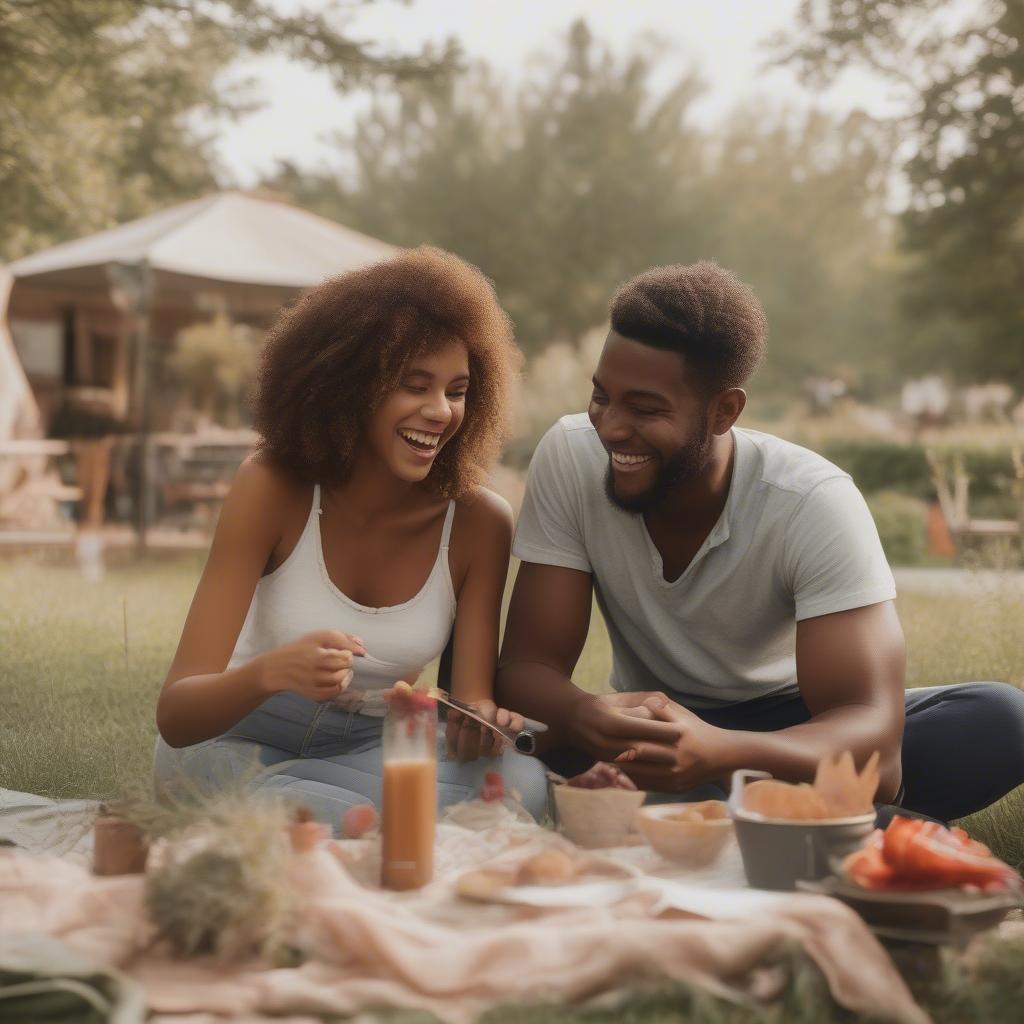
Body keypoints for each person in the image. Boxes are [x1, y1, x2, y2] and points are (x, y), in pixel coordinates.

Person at [496, 260, 1024, 824]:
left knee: (1002, 719)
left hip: (792, 728)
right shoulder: (571, 455)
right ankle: (807, 824)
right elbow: (526, 669)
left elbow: (878, 751)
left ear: (725, 410)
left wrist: (720, 754)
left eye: (645, 409)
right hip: (651, 726)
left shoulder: (811, 500)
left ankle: (707, 806)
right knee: (471, 732)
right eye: (602, 397)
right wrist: (584, 717)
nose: (610, 427)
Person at [154, 247, 548, 825]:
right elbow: (178, 714)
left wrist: (480, 724)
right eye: (415, 385)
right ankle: (354, 819)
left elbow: (467, 706)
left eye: (457, 391)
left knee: (520, 782)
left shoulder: (479, 522)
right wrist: (271, 672)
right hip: (230, 743)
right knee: (346, 811)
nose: (440, 411)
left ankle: (330, 818)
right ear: (349, 385)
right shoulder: (272, 487)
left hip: (367, 749)